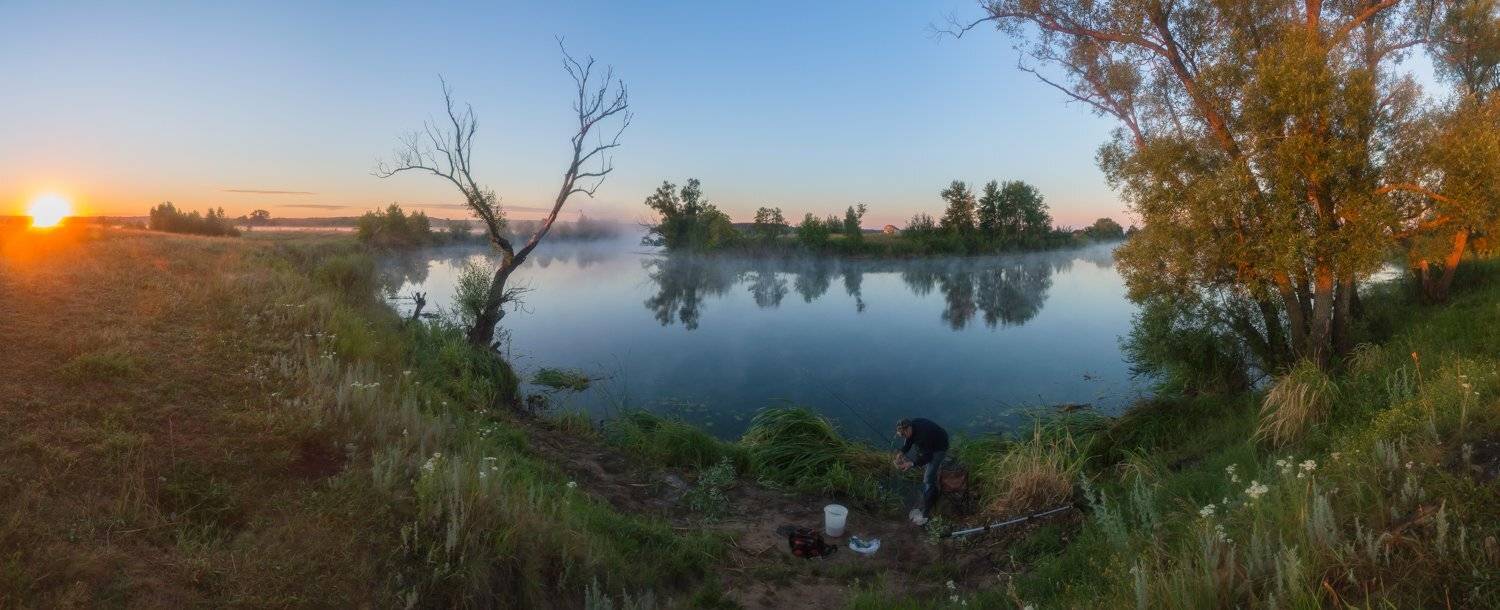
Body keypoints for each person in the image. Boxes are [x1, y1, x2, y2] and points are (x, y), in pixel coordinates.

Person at [893, 417, 949, 525]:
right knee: (923, 460)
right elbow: (908, 441)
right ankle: (933, 486)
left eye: (903, 434)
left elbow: (928, 457)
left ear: (908, 428)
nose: (903, 436)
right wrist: (901, 453)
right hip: (930, 443)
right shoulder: (912, 426)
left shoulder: (923, 436)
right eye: (901, 435)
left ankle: (926, 511)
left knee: (927, 478)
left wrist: (911, 464)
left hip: (939, 447)